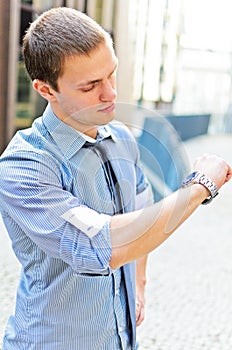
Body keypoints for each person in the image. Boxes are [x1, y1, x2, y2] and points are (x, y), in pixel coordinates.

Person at [0, 7, 231, 350]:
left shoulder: (122, 139)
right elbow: (105, 245)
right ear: (45, 89)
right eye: (91, 85)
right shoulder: (25, 166)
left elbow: (141, 210)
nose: (109, 93)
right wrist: (200, 186)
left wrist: (138, 281)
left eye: (111, 74)